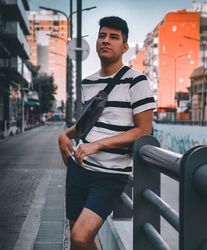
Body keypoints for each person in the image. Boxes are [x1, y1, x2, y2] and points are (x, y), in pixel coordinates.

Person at [58, 16, 156, 250]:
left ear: (124, 46)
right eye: (102, 35)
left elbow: (144, 130)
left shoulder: (137, 81)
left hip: (110, 175)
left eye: (113, 37)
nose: (106, 40)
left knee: (80, 237)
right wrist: (66, 135)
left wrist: (98, 145)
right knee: (79, 237)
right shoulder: (88, 82)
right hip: (78, 170)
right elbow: (86, 124)